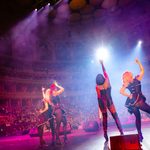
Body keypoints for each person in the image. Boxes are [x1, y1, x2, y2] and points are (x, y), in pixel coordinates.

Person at [120, 58, 150, 142]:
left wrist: (128, 95)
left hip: (132, 103)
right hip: (139, 101)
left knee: (138, 118)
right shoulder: (137, 79)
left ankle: (140, 135)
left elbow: (121, 91)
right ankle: (140, 135)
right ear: (130, 75)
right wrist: (138, 62)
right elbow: (142, 70)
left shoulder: (128, 83)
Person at [96, 60, 123, 142]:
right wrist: (102, 64)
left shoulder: (97, 87)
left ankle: (105, 133)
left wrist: (100, 109)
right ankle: (121, 130)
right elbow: (105, 72)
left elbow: (99, 97)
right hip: (109, 101)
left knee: (105, 118)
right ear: (103, 78)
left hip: (102, 103)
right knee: (115, 116)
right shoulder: (107, 81)